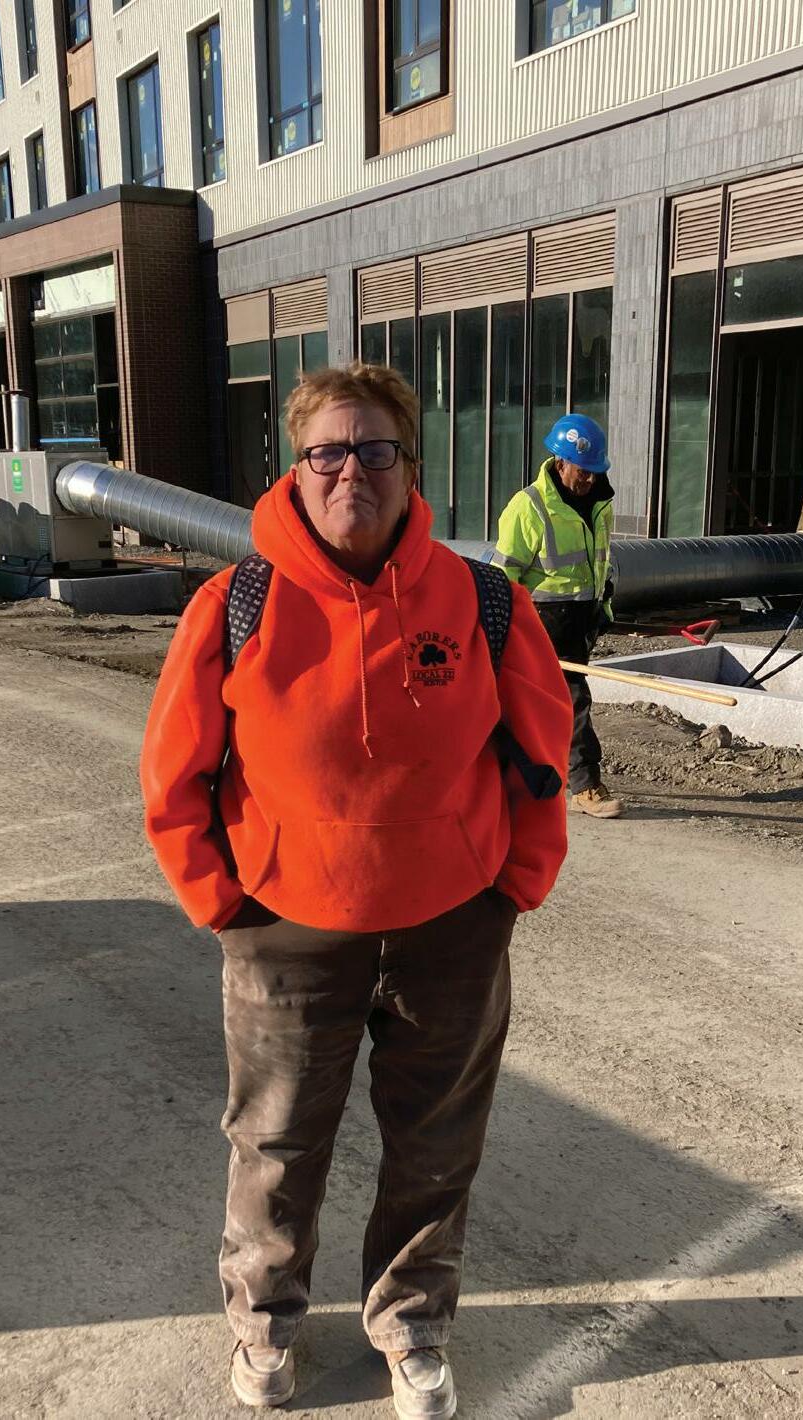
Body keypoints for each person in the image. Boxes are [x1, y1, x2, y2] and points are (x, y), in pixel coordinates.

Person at [141, 363, 571, 1417]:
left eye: (375, 450)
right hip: (285, 927)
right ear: (296, 469)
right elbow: (173, 772)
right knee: (276, 1143)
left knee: (436, 1141)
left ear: (410, 467)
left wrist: (513, 885)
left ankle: (412, 1322)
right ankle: (264, 1321)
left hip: (452, 926)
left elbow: (541, 753)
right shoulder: (237, 603)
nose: (351, 472)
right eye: (327, 452)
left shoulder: (484, 601)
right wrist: (221, 899)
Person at [493, 413, 623, 819]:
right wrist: (503, 626)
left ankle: (514, 771)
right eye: (583, 471)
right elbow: (504, 572)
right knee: (573, 700)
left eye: (594, 471)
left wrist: (603, 610)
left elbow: (600, 562)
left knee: (538, 704)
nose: (589, 479)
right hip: (541, 622)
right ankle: (585, 785)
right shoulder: (529, 507)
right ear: (560, 461)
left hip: (580, 621)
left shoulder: (599, 505)